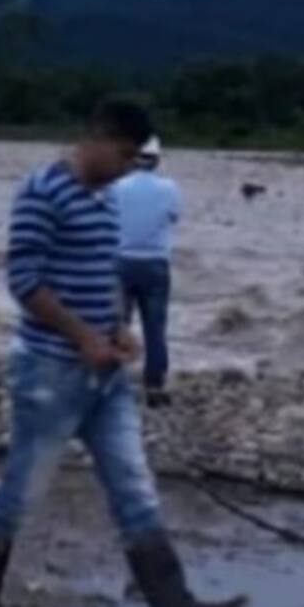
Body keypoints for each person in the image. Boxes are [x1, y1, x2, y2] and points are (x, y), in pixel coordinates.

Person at [0, 99, 246, 607]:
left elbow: (105, 272)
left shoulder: (107, 198)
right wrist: (82, 336)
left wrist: (116, 329)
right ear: (98, 139)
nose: (127, 167)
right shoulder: (42, 191)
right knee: (21, 490)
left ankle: (174, 602)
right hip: (49, 372)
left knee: (134, 485)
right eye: (124, 155)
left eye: (136, 159)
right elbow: (24, 281)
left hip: (104, 375)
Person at [114, 136, 182, 408]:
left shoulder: (117, 187)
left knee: (119, 327)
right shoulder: (170, 188)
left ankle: (112, 382)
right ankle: (154, 385)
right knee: (155, 328)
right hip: (155, 263)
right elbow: (174, 217)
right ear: (157, 159)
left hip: (121, 262)